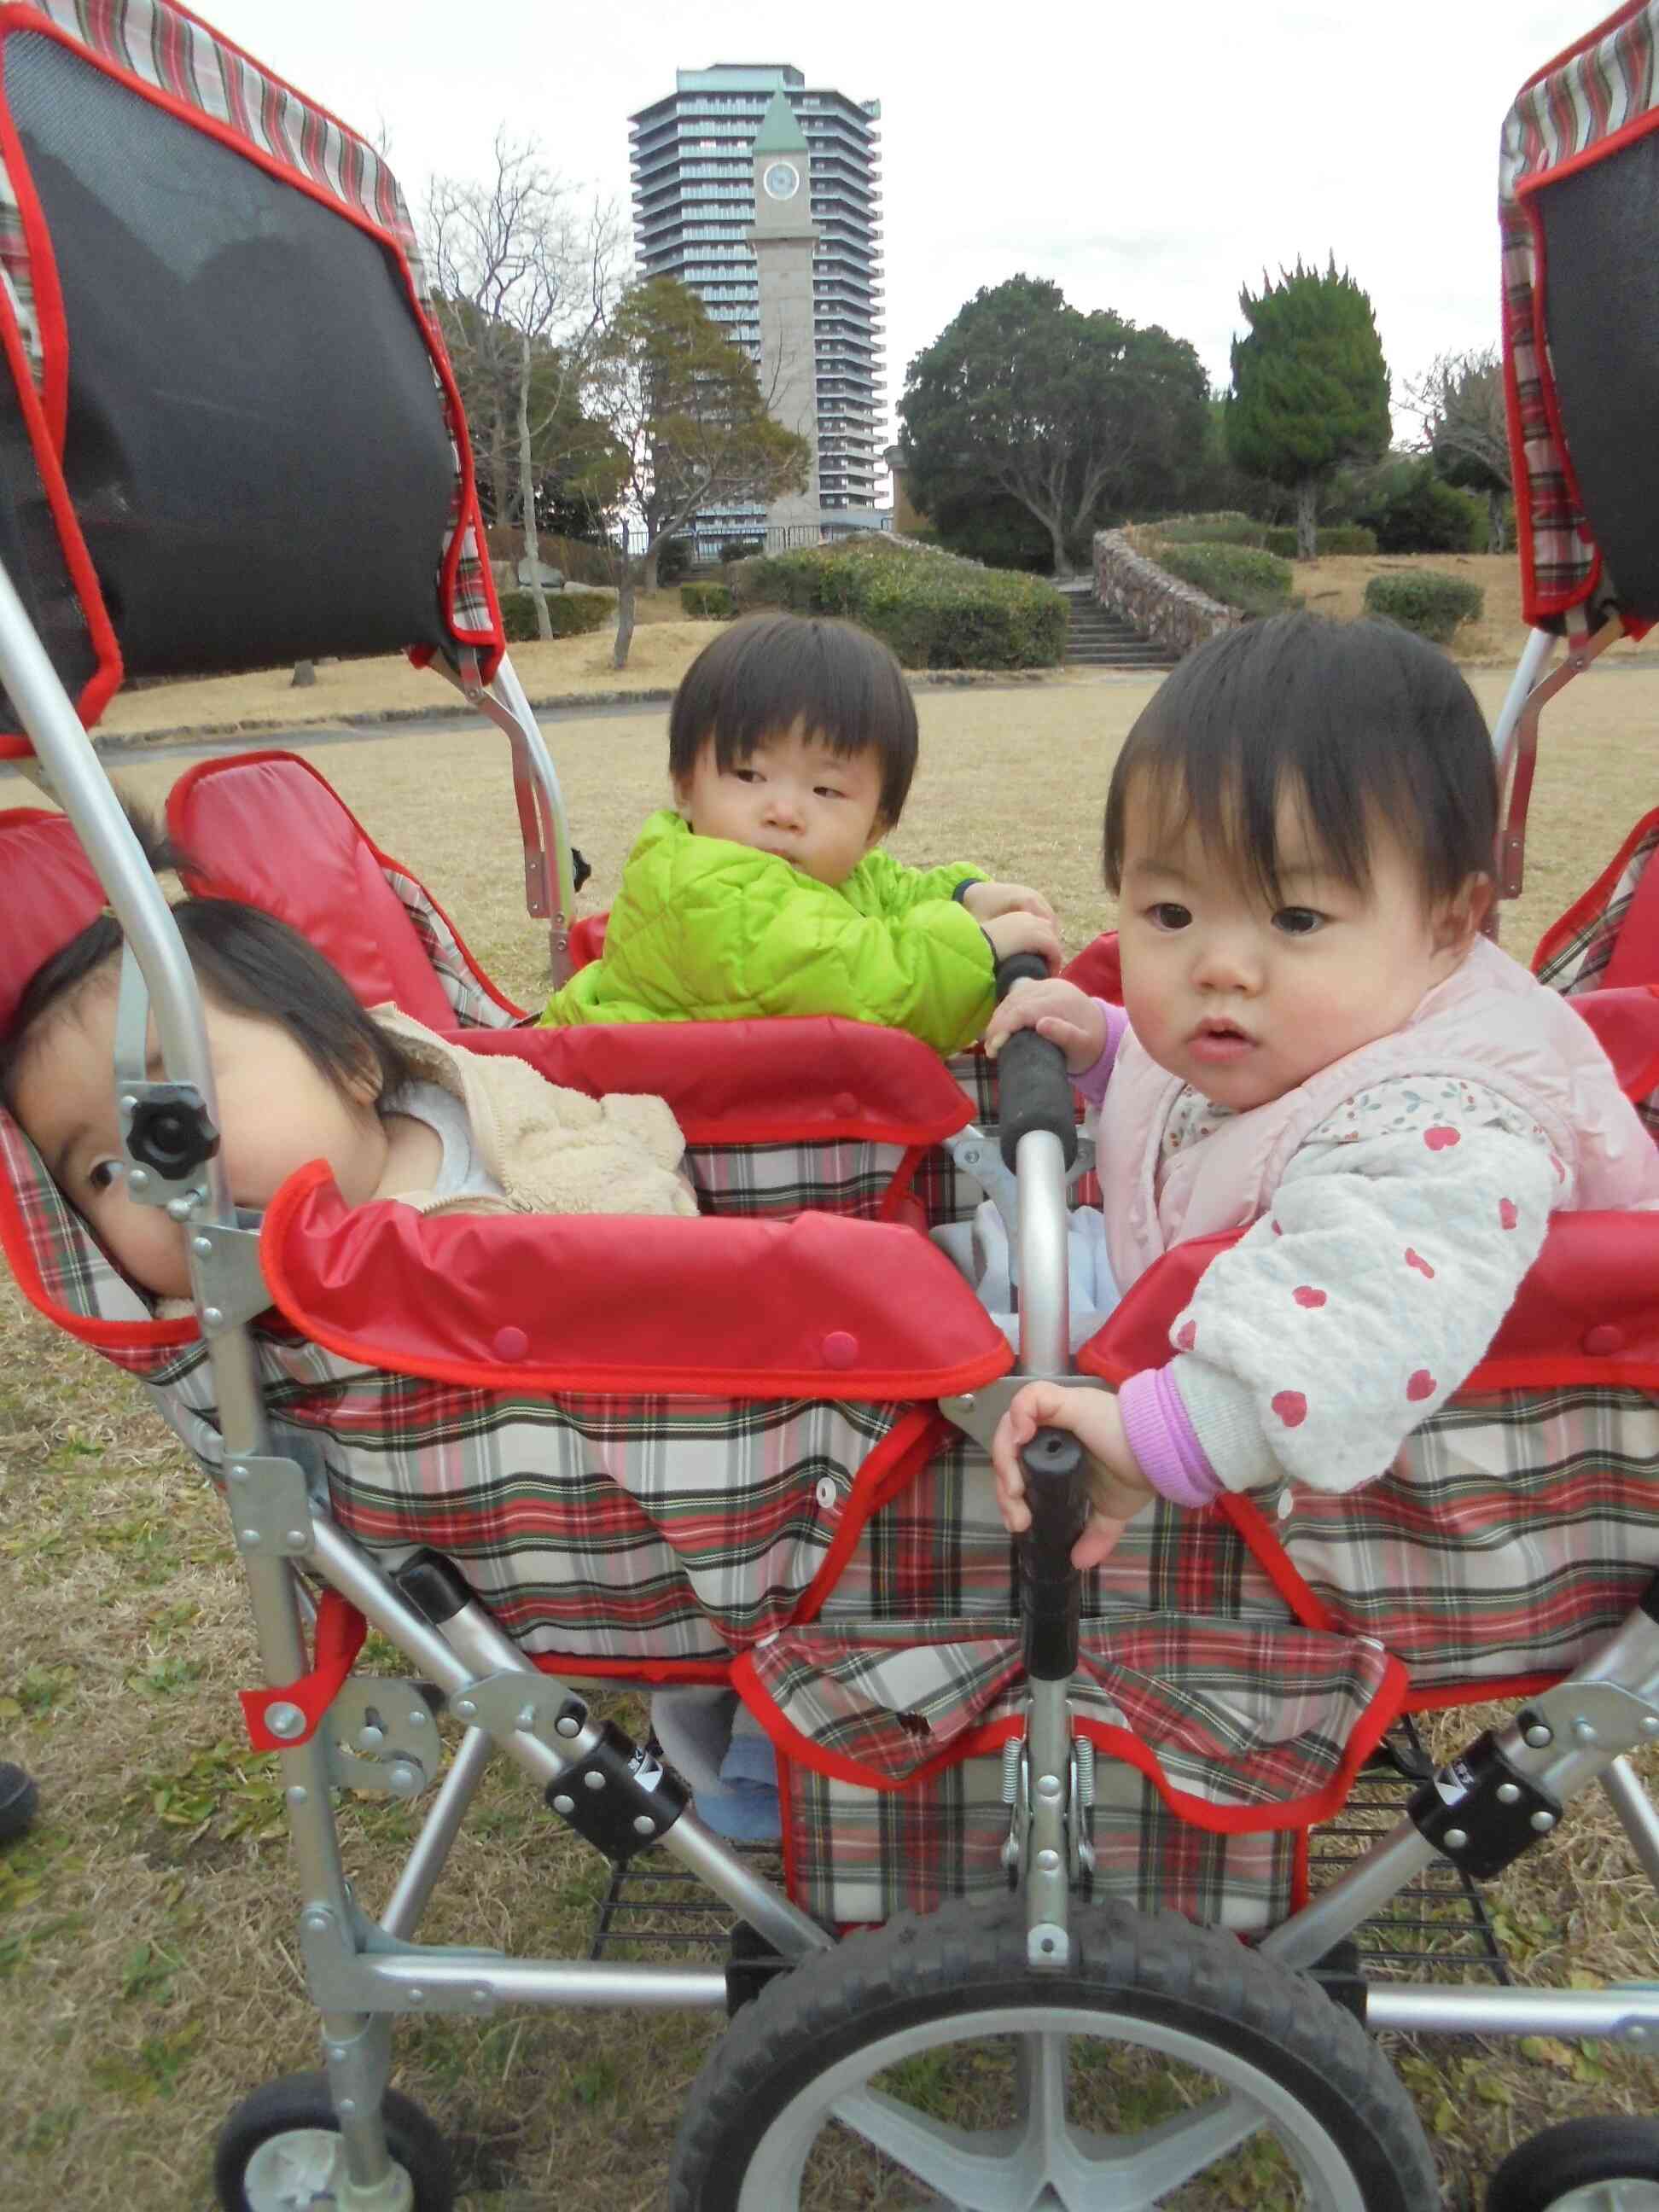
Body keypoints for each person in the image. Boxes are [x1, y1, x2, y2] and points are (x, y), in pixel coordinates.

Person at [984, 612, 1659, 1568]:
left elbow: (1363, 1306)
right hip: (1160, 1283)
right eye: (1170, 911)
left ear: (1449, 922)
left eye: (1297, 915)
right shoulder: (1305, 1028)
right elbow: (1234, 1112)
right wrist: (1109, 1051)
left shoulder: (1449, 1123)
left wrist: (1160, 1441)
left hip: (1391, 1495)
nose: (1220, 966)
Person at [1, 888, 698, 1301]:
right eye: (102, 1172)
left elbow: (621, 1165)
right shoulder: (232, 1338)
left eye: (172, 1109)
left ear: (354, 1064)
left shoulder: (493, 1125)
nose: (157, 1174)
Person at [540, 610, 1061, 1053]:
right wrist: (978, 951)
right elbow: (865, 986)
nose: (784, 811)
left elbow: (880, 888)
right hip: (607, 1087)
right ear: (684, 787)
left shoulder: (821, 870)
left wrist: (963, 895)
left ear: (875, 825)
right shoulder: (703, 895)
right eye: (749, 775)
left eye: (827, 791)